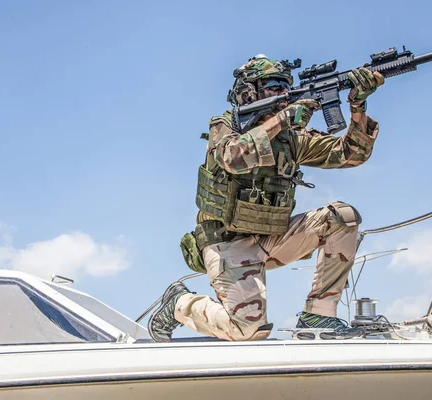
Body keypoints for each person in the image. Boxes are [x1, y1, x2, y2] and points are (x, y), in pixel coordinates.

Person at [148, 54, 385, 342]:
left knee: (342, 217)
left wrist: (358, 106)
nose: (283, 94)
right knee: (247, 330)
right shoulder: (226, 126)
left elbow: (351, 154)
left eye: (286, 87)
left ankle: (319, 315)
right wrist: (281, 121)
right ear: (249, 92)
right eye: (274, 87)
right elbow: (232, 157)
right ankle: (181, 304)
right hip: (227, 243)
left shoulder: (292, 138)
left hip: (272, 239)